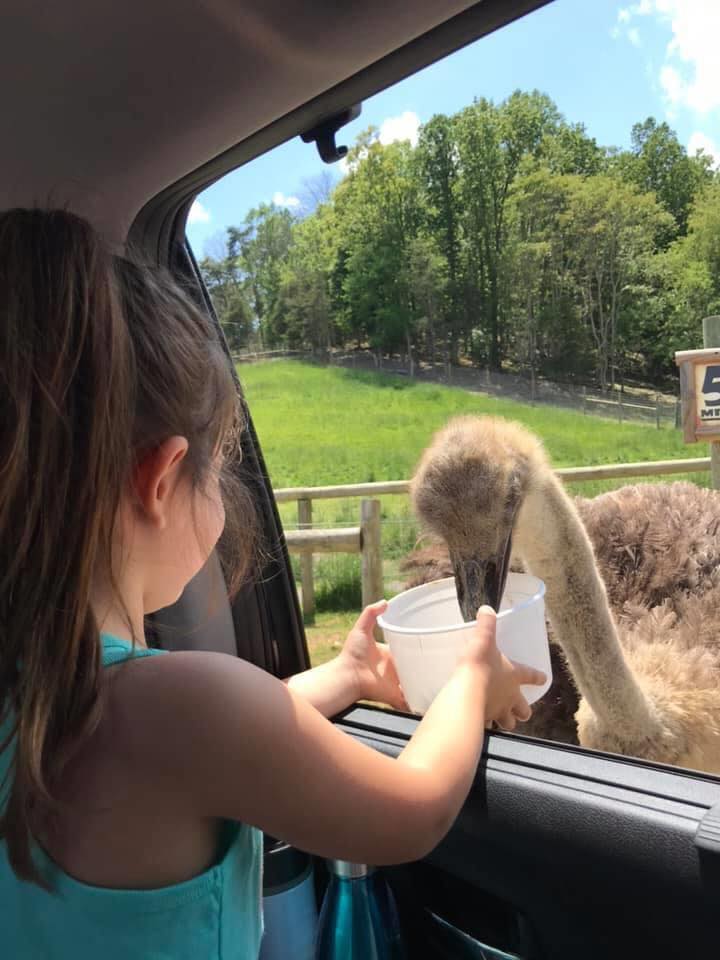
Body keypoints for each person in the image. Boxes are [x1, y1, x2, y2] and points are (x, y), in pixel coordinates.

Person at [0, 208, 545, 959]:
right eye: (220, 465)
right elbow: (412, 812)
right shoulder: (181, 711)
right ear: (159, 481)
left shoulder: (46, 701)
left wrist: (344, 675)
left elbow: (214, 741)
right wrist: (470, 683)